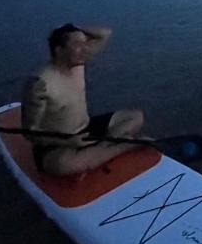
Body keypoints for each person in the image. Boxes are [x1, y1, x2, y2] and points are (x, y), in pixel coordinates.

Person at [21, 23, 144, 176]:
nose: (85, 49)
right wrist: (68, 141)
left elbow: (105, 33)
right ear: (60, 50)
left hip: (86, 129)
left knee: (135, 117)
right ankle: (124, 146)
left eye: (85, 43)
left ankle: (100, 150)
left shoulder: (78, 63)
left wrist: (73, 27)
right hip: (58, 143)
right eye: (78, 45)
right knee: (63, 165)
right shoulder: (40, 84)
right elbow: (30, 133)